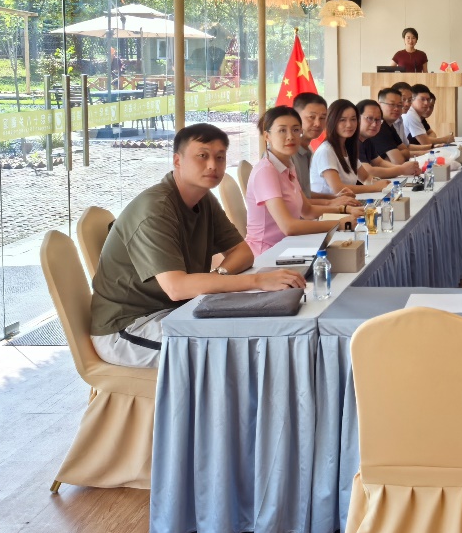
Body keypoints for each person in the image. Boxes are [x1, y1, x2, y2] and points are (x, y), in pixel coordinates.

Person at [88, 123, 306, 368]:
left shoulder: (203, 198)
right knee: (237, 352)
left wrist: (216, 277)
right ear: (177, 161)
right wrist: (258, 281)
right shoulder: (155, 210)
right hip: (130, 327)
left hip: (179, 309)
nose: (212, 165)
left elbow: (242, 252)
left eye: (220, 157)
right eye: (202, 156)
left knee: (260, 333)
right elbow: (177, 287)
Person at [246, 106, 359, 255]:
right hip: (267, 253)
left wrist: (345, 210)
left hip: (290, 246)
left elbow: (308, 211)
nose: (290, 136)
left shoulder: (288, 165)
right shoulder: (266, 171)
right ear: (267, 136)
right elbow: (289, 227)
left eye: (295, 130)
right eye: (282, 130)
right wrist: (339, 223)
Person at [312, 99, 392, 196]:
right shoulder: (326, 151)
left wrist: (381, 183)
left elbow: (366, 178)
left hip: (348, 202)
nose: (349, 125)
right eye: (342, 120)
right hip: (330, 205)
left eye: (353, 119)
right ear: (332, 121)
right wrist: (375, 187)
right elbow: (338, 189)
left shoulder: (348, 148)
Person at [291, 92, 342, 200]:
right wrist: (334, 203)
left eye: (322, 118)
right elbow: (296, 199)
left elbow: (305, 193)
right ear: (295, 117)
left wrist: (335, 198)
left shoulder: (308, 150)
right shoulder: (288, 153)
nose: (318, 124)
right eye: (311, 117)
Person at [357, 99, 422, 176]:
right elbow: (368, 171)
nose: (374, 124)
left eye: (378, 120)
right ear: (357, 118)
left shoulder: (367, 140)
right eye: (369, 118)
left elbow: (379, 162)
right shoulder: (353, 141)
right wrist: (401, 170)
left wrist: (406, 169)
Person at [402, 83, 455, 147]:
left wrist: (427, 139)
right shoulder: (410, 115)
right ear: (412, 99)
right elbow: (426, 143)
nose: (426, 103)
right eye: (422, 99)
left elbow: (431, 135)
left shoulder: (417, 115)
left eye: (428, 100)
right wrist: (444, 139)